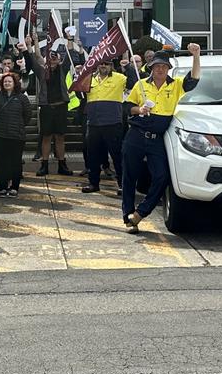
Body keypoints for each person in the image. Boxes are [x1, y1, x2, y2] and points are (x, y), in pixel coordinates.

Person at [121, 43, 201, 233]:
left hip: (157, 138)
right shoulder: (141, 85)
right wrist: (138, 109)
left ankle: (141, 213)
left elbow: (195, 78)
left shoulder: (176, 85)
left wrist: (196, 55)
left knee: (162, 176)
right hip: (136, 135)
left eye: (164, 66)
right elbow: (126, 108)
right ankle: (128, 218)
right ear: (151, 67)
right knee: (129, 177)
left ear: (168, 69)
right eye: (157, 66)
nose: (160, 69)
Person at [79, 57, 135, 194]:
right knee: (93, 156)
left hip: (112, 123)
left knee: (117, 156)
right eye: (101, 63)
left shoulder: (119, 78)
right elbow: (79, 93)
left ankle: (123, 185)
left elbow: (133, 83)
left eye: (106, 63)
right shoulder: (90, 78)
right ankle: (93, 183)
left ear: (111, 65)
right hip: (93, 123)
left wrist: (128, 67)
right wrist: (79, 77)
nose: (103, 65)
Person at [0, 68, 34, 197]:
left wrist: (19, 125)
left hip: (16, 136)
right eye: (5, 81)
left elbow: (28, 114)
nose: (7, 83)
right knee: (0, 161)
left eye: (9, 81)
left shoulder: (22, 98)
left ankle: (14, 186)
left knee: (15, 162)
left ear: (15, 83)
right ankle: (2, 185)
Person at [33, 45, 73, 177]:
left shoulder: (63, 69)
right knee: (46, 137)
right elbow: (35, 59)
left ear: (59, 59)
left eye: (55, 57)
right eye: (50, 58)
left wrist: (70, 39)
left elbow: (69, 52)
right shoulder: (42, 72)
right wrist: (31, 45)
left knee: (60, 137)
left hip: (61, 107)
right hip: (47, 107)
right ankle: (44, 165)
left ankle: (62, 165)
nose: (53, 60)